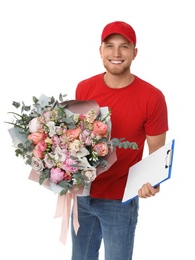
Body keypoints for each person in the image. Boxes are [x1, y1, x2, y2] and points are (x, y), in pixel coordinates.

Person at [71, 21, 168, 260]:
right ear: (100, 50)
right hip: (82, 195)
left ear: (134, 52)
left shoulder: (152, 98)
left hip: (119, 201)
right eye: (110, 46)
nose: (116, 54)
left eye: (124, 47)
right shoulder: (84, 88)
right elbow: (75, 138)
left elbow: (157, 154)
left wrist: (153, 183)